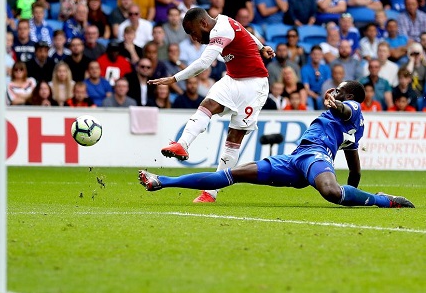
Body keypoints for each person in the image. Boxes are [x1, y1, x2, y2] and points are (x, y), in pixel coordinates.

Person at [139, 81, 415, 209]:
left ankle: (384, 201)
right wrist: (350, 194)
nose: (334, 92)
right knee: (229, 176)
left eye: (339, 90)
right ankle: (161, 181)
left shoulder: (351, 106)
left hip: (315, 157)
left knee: (331, 192)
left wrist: (337, 103)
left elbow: (346, 109)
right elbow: (354, 171)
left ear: (352, 96)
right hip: (295, 159)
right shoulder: (352, 132)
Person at [148, 7, 275, 203]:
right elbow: (246, 32)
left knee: (234, 137)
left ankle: (211, 192)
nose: (194, 38)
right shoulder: (225, 19)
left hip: (254, 85)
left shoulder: (220, 31)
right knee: (207, 104)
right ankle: (182, 144)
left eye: (193, 33)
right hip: (233, 79)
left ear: (203, 24)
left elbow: (203, 63)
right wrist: (261, 47)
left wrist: (174, 78)